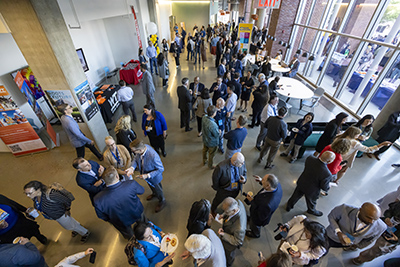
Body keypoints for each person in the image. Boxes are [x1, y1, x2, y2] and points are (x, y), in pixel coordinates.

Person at [23, 180, 90, 243]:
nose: (28, 196)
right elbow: (40, 205)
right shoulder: (35, 197)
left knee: (68, 226)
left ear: (38, 190)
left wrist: (67, 209)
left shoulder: (51, 195)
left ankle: (85, 232)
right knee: (70, 222)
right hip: (54, 216)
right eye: (26, 193)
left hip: (61, 214)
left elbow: (66, 200)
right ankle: (76, 228)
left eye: (29, 193)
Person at [93, 167, 146, 239]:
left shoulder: (97, 199)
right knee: (143, 224)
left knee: (128, 234)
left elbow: (102, 216)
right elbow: (141, 191)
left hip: (120, 221)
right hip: (136, 212)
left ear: (104, 181)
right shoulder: (131, 184)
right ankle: (145, 233)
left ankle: (133, 241)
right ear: (117, 176)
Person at [285, 151, 335, 216]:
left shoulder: (310, 158)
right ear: (329, 161)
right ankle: (311, 210)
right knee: (311, 201)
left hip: (302, 182)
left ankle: (289, 206)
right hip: (312, 190)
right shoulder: (327, 174)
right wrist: (328, 186)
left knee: (296, 195)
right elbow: (324, 187)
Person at [352, 200, 400, 265]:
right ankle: (354, 245)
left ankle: (361, 258)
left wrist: (397, 240)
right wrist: (387, 217)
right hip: (382, 225)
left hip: (392, 237)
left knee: (377, 250)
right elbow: (391, 208)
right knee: (365, 234)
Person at [127, 139, 166, 213]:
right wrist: (132, 168)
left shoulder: (153, 156)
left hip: (154, 177)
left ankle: (162, 200)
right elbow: (135, 159)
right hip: (145, 175)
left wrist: (148, 175)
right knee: (151, 186)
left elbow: (161, 169)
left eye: (134, 151)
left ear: (140, 150)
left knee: (158, 189)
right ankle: (155, 194)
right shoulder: (141, 150)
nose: (133, 152)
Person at [245, 174, 282, 238]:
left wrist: (252, 201)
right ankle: (250, 218)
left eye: (263, 180)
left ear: (268, 186)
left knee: (254, 224)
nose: (261, 180)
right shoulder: (277, 185)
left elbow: (260, 217)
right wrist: (261, 181)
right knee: (252, 218)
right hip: (260, 207)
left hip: (257, 218)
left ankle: (255, 234)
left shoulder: (267, 204)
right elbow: (267, 188)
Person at [215, 197, 246, 267]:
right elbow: (228, 211)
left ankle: (229, 264)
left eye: (226, 212)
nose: (225, 213)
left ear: (234, 210)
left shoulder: (239, 228)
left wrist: (223, 234)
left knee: (229, 255)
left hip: (230, 245)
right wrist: (223, 215)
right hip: (229, 229)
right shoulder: (237, 203)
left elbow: (238, 241)